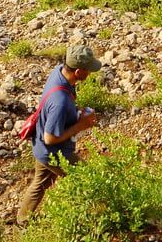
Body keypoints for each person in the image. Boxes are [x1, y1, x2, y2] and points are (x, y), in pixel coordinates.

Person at [16, 45, 102, 224]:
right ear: (78, 71)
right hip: (52, 152)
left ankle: (23, 220)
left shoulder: (59, 73)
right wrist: (81, 124)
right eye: (88, 70)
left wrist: (76, 112)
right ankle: (86, 220)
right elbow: (50, 138)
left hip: (40, 147)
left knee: (40, 183)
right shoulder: (60, 102)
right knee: (86, 178)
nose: (90, 73)